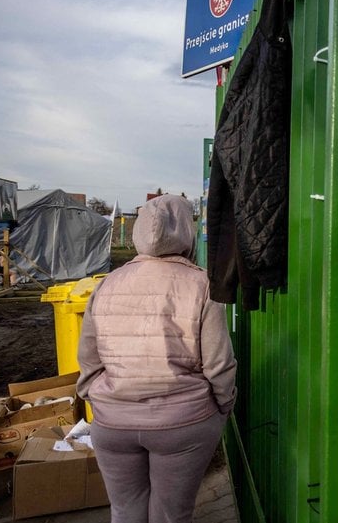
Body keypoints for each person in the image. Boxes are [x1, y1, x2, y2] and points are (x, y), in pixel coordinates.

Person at [77, 194, 237, 523]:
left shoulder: (107, 284)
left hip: (112, 423)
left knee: (124, 511)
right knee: (170, 514)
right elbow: (219, 365)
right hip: (184, 423)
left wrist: (97, 399)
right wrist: (223, 407)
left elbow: (89, 361)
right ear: (187, 232)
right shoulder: (203, 285)